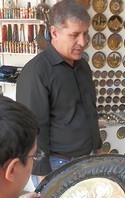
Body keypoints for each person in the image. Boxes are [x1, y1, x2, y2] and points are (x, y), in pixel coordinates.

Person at [16, 0, 101, 185]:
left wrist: (97, 147)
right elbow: (32, 128)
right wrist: (42, 173)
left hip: (87, 158)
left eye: (86, 33)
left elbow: (89, 110)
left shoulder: (82, 66)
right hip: (57, 164)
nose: (83, 42)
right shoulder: (36, 72)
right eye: (75, 35)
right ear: (54, 32)